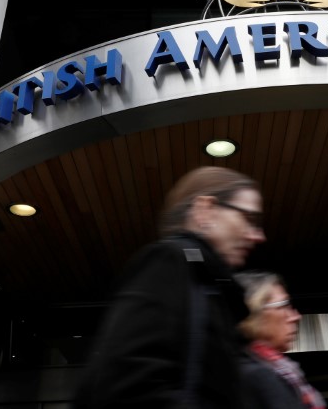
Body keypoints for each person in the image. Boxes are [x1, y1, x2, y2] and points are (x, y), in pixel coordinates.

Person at [75, 166, 266, 409]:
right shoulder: (168, 262)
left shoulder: (211, 288)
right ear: (205, 210)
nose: (258, 235)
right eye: (249, 218)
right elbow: (127, 383)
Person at [235, 271, 326, 409]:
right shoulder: (258, 376)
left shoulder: (274, 369)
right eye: (284, 306)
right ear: (253, 312)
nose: (295, 316)